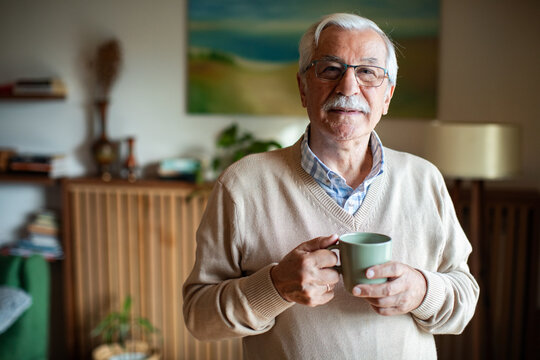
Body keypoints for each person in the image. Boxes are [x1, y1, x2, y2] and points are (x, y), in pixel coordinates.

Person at [183, 12, 479, 360]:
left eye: (368, 72)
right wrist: (275, 286)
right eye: (330, 69)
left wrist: (423, 291)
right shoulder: (242, 185)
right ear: (303, 88)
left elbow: (464, 299)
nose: (349, 87)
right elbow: (199, 319)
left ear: (387, 96)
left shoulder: (423, 179)